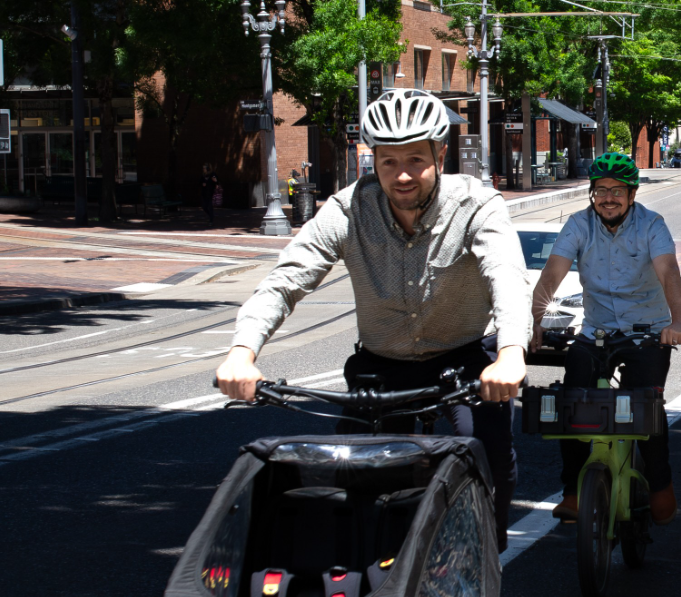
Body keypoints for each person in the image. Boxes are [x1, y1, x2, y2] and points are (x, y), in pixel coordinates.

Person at [215, 89, 529, 551]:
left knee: (488, 455)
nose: (402, 175)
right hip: (382, 366)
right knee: (355, 477)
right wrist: (242, 352)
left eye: (416, 160)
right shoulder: (347, 210)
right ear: (373, 159)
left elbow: (506, 275)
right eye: (388, 162)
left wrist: (510, 354)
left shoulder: (476, 205)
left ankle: (484, 555)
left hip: (464, 360)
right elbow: (286, 279)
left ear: (440, 155)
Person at [529, 152, 681, 525]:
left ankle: (661, 485)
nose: (608, 198)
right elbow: (552, 275)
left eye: (617, 190)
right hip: (596, 330)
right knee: (571, 404)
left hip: (647, 332)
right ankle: (573, 491)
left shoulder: (651, 224)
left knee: (645, 409)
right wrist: (537, 321)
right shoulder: (578, 224)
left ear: (632, 194)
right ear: (592, 194)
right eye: (600, 190)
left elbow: (669, 273)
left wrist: (677, 322)